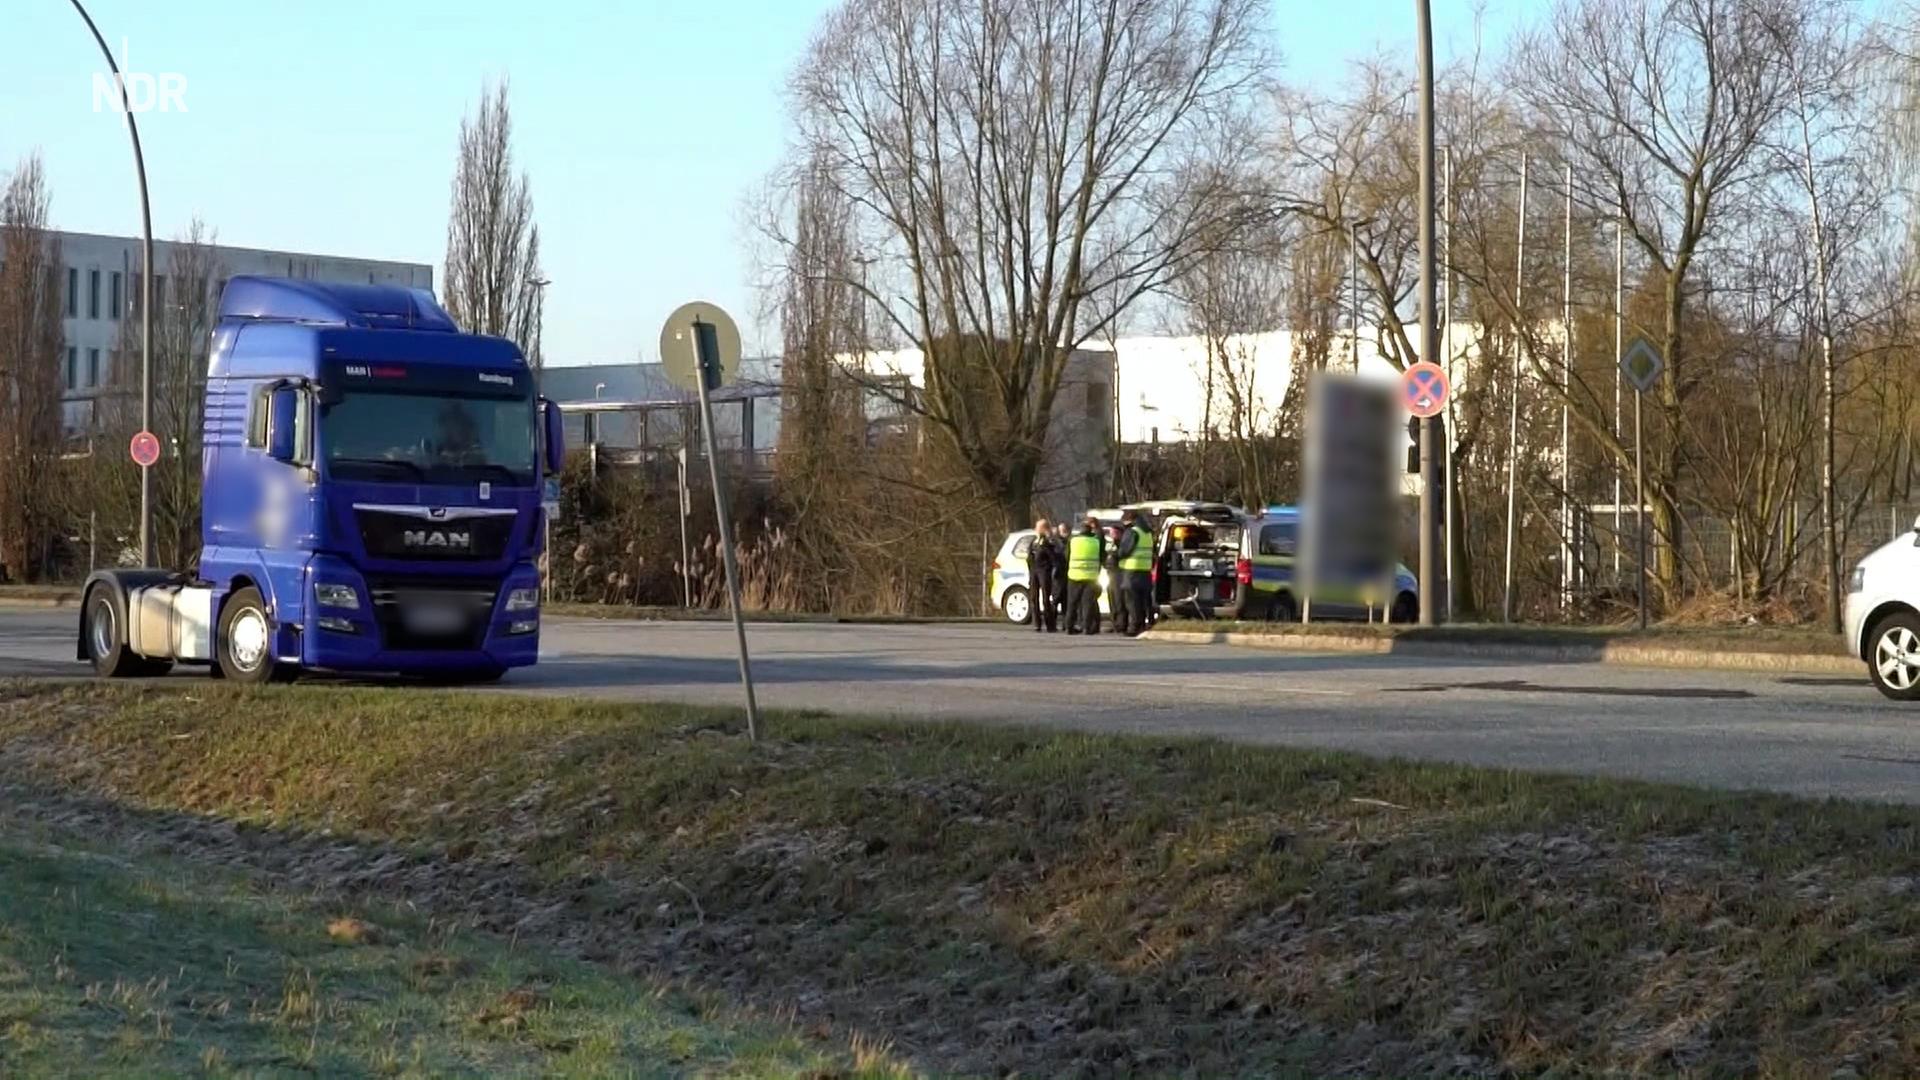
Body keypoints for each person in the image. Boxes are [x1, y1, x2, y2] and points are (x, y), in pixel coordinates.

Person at [1114, 508, 1157, 636]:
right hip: (1145, 570)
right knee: (1143, 600)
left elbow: (1125, 551)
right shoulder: (1148, 533)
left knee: (1132, 601)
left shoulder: (1132, 532)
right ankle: (1143, 624)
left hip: (1132, 570)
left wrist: (1115, 555)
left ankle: (1134, 627)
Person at [1064, 515, 1105, 635]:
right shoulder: (1096, 542)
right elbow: (1102, 556)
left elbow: (1066, 556)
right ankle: (1086, 627)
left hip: (1074, 575)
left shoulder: (1073, 541)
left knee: (1072, 603)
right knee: (1087, 604)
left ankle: (1069, 627)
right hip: (1090, 577)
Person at [1026, 518, 1060, 632]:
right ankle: (1037, 623)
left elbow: (1053, 558)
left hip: (1044, 571)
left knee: (1046, 598)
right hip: (1034, 571)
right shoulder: (1034, 542)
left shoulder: (1048, 542)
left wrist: (1047, 544)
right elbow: (1029, 557)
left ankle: (1050, 624)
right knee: (1033, 597)